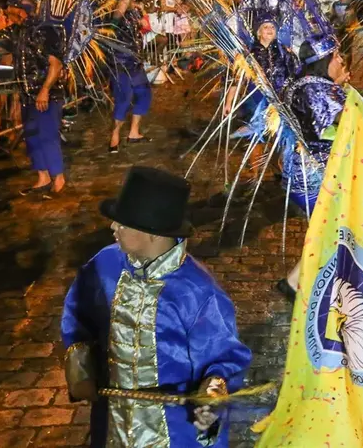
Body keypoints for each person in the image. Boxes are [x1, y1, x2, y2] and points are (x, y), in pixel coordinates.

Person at [62, 166, 252, 448]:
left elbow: (224, 357)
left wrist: (212, 394)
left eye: (123, 224)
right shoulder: (103, 266)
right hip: (112, 419)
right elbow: (78, 315)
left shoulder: (197, 292)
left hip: (174, 430)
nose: (113, 228)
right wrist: (82, 370)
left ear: (151, 233)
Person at [277, 37, 363, 297]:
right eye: (336, 55)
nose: (341, 59)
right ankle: (308, 285)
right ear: (322, 61)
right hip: (314, 178)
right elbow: (353, 117)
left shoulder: (312, 84)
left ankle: (293, 283)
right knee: (340, 230)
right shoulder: (312, 89)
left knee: (331, 230)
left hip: (315, 173)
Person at [17, 17, 67, 197]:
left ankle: (58, 179)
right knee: (32, 138)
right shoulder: (20, 32)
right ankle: (43, 177)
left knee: (47, 137)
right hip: (27, 96)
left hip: (47, 96)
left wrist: (45, 90)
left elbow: (56, 64)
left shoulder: (45, 30)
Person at [107, 0, 151, 154]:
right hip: (120, 64)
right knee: (123, 100)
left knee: (144, 94)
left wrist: (142, 12)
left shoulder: (134, 12)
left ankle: (133, 132)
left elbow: (145, 26)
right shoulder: (112, 18)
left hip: (135, 63)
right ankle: (114, 136)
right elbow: (120, 10)